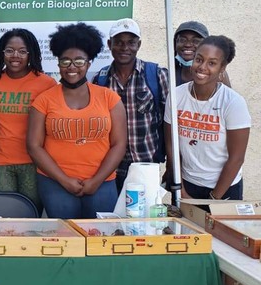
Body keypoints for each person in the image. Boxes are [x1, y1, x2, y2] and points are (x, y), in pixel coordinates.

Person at [27, 23, 127, 219]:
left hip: (102, 183)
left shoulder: (109, 98)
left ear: (89, 63)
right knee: (66, 240)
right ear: (58, 64)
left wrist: (97, 180)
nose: (72, 67)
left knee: (101, 239)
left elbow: (119, 144)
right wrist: (64, 180)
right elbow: (34, 146)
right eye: (65, 61)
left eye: (79, 61)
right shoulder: (44, 100)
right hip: (55, 183)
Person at [164, 35, 250, 200]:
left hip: (224, 188)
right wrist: (180, 190)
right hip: (187, 184)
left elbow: (237, 158)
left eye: (212, 63)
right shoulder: (176, 96)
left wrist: (213, 199)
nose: (202, 67)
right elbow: (172, 146)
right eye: (199, 59)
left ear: (222, 68)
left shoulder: (233, 103)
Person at [91, 18, 169, 191]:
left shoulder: (157, 75)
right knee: (112, 216)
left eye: (131, 43)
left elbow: (170, 123)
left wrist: (171, 164)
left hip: (146, 164)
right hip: (110, 167)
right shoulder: (100, 80)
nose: (125, 48)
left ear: (139, 44)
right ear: (109, 44)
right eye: (118, 42)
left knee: (143, 216)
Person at [0, 28, 57, 213]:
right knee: (5, 216)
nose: (15, 56)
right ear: (2, 52)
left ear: (31, 53)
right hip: (0, 161)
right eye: (9, 50)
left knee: (31, 215)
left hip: (35, 163)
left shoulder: (46, 84)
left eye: (22, 51)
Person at [174, 21, 231, 87]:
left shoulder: (218, 74)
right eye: (182, 40)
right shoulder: (172, 72)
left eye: (195, 41)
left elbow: (227, 96)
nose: (188, 44)